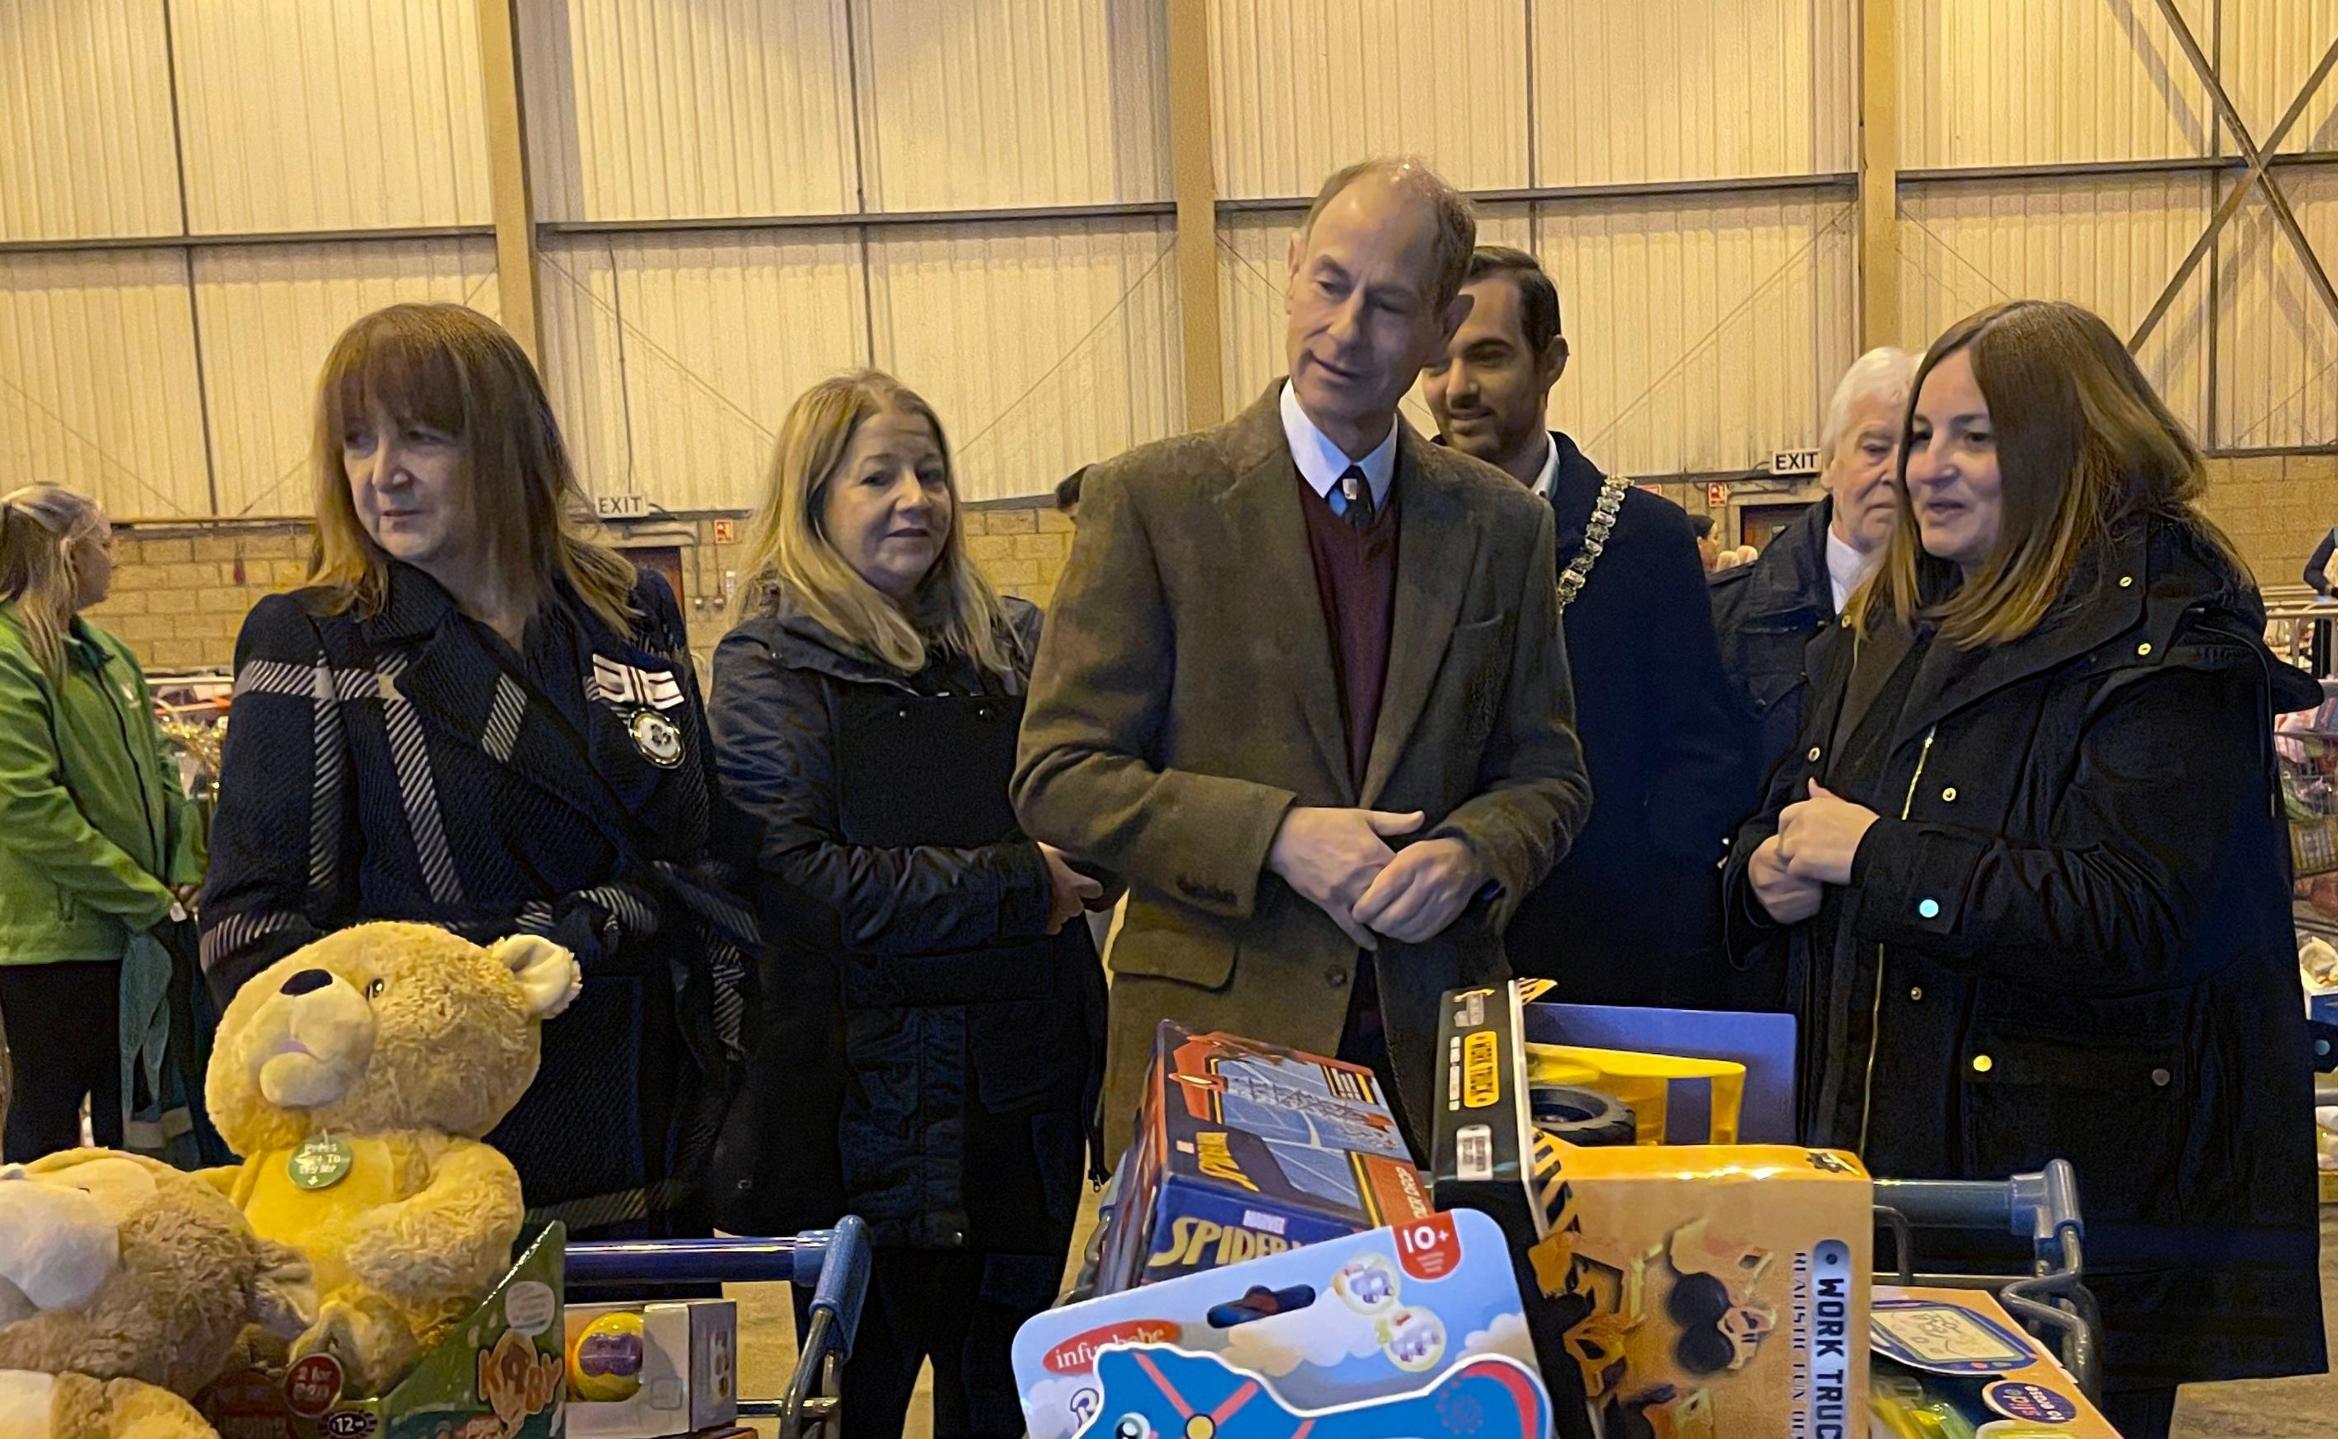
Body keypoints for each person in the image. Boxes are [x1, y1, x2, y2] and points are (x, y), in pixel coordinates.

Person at [1726, 300, 2326, 1438]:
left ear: (2067, 442)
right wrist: (1760, 872)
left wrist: (1879, 857)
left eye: (1975, 437)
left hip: (2066, 1209)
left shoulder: (2168, 645)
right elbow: (1799, 812)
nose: (1927, 468)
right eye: (1917, 436)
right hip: (1892, 1183)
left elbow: (2133, 912)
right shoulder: (1901, 622)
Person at [1013, 156, 1590, 1155]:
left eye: (1387, 303)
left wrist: (1471, 852)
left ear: (1437, 327)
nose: (1345, 328)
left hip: (1432, 1068)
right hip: (1214, 1071)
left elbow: (1548, 774)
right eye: (1328, 283)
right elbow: (1058, 775)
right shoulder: (1150, 503)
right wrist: (1275, 834)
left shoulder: (1503, 528)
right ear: (1289, 270)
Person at [199, 302, 751, 1238]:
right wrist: (463, 993)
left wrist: (626, 923)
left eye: (423, 437)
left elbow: (699, 850)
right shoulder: (319, 634)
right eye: (358, 441)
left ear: (509, 445)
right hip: (439, 1180)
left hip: (659, 1128)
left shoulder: (629, 608)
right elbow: (253, 932)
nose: (386, 475)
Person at [708, 371, 1106, 1436]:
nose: (914, 498)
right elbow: (800, 882)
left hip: (1022, 1100)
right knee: (858, 1395)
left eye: (929, 472)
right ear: (813, 497)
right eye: (876, 475)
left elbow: (1098, 796)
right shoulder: (770, 663)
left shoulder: (1008, 643)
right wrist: (1025, 882)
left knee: (1004, 1396)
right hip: (860, 1110)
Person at [1421, 246, 1752, 1007]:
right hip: (1421, 959)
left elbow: (1702, 750)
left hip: (1607, 962)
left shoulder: (1647, 541)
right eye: (1437, 362)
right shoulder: (1388, 536)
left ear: (1552, 360)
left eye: (1490, 357)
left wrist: (1653, 886)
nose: (1457, 388)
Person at [0, 487, 201, 1161]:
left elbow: (164, 771)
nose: (115, 563)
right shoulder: (9, 657)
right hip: (57, 947)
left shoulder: (112, 655)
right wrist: (140, 894)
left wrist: (185, 867)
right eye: (108, 547)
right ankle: (26, 1260)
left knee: (139, 1118)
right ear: (70, 555)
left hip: (138, 928)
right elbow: (27, 806)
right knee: (50, 1114)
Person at [1710, 347, 1916, 800]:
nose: (1896, 473)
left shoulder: (1978, 624)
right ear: (1829, 463)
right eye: (1875, 448)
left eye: (1916, 448)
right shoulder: (1725, 620)